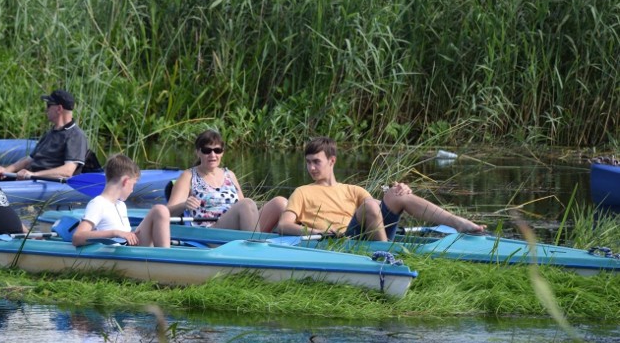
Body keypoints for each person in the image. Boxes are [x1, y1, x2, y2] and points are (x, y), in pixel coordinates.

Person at [274, 137, 486, 239]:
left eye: (316, 162)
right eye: (308, 162)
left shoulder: (352, 190)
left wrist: (397, 191)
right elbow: (284, 225)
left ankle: (458, 222)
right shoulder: (302, 191)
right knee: (369, 206)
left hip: (365, 233)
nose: (311, 167)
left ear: (331, 161)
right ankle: (386, 256)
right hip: (341, 240)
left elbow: (375, 208)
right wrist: (318, 231)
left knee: (392, 196)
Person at [166, 129, 284, 232]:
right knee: (246, 204)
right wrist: (184, 205)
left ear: (222, 153)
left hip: (236, 227)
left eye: (217, 150)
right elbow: (167, 213)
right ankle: (254, 250)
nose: (213, 155)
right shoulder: (188, 176)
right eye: (207, 150)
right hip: (210, 231)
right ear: (198, 152)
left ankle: (288, 239)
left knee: (280, 202)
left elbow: (245, 207)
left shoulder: (230, 175)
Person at [72, 154, 170, 247]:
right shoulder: (98, 204)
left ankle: (166, 256)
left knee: (160, 210)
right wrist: (115, 233)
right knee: (160, 209)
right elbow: (78, 237)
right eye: (133, 184)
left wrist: (129, 235)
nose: (132, 190)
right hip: (114, 251)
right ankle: (166, 261)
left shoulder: (121, 205)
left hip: (128, 247)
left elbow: (124, 236)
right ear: (125, 181)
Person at [0, 89, 88, 181]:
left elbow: (67, 171)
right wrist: (6, 170)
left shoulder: (76, 136)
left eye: (48, 105)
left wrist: (33, 175)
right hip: (31, 178)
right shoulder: (50, 133)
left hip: (44, 182)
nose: (46, 109)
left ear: (59, 109)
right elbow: (29, 160)